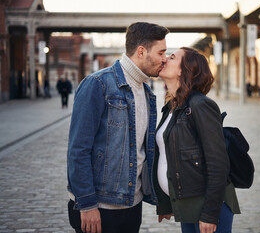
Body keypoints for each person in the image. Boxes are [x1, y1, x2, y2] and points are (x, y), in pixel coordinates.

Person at [67, 22, 169, 233]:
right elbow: (78, 150)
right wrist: (86, 204)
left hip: (132, 207)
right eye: (161, 52)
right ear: (141, 51)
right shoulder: (98, 84)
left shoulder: (147, 94)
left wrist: (160, 198)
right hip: (99, 208)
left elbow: (144, 153)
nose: (165, 59)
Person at [154, 47, 240, 233]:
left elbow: (218, 163)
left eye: (172, 57)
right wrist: (165, 203)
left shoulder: (200, 105)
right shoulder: (171, 107)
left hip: (208, 206)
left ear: (183, 70)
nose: (164, 59)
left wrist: (210, 213)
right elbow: (168, 156)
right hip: (187, 205)